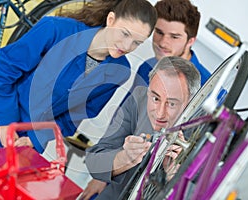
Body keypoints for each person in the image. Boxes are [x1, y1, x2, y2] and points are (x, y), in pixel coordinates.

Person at [0, 0, 157, 175]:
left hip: (28, 143)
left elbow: (75, 117)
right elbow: (3, 68)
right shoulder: (55, 29)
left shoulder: (119, 70)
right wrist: (5, 122)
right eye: (124, 34)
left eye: (136, 43)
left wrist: (35, 140)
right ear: (111, 19)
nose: (127, 45)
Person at [82, 56, 201, 199]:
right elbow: (94, 162)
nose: (159, 112)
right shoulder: (139, 99)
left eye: (171, 104)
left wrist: (174, 177)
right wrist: (125, 158)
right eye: (155, 98)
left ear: (192, 102)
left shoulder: (206, 130)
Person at [135, 0, 210, 87]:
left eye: (174, 37)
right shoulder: (146, 68)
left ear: (190, 41)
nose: (162, 43)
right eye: (159, 32)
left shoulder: (208, 89)